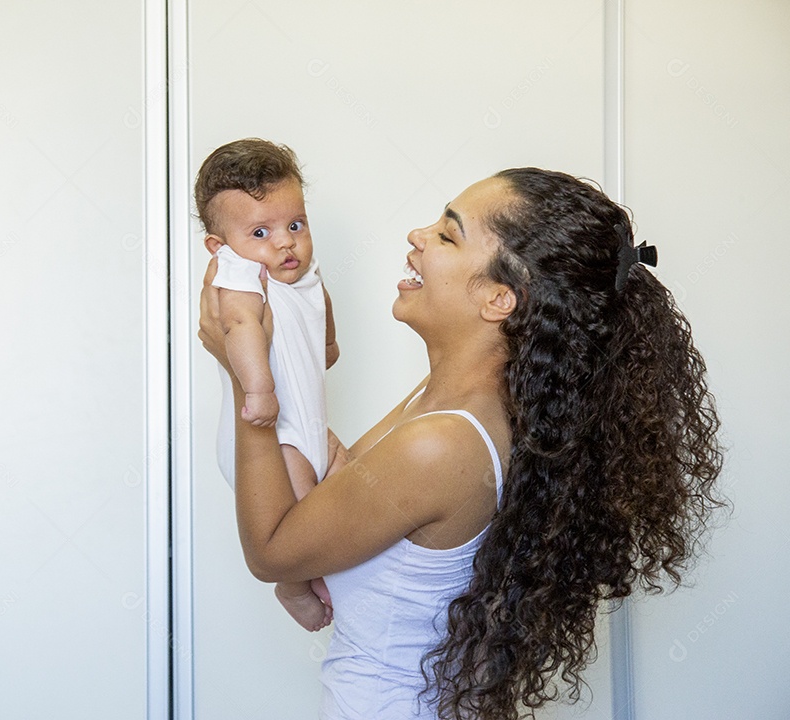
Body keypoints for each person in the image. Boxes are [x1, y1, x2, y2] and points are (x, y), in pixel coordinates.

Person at [198, 167, 724, 719]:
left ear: (499, 298)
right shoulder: (450, 401)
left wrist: (243, 374)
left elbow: (272, 552)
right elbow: (343, 500)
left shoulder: (442, 442)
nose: (417, 236)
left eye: (448, 235)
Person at [195, 138, 340, 632]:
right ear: (220, 247)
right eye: (261, 232)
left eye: (295, 225)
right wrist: (258, 391)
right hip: (269, 434)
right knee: (301, 521)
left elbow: (321, 301)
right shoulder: (240, 274)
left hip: (308, 429)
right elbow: (239, 327)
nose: (284, 243)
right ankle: (294, 587)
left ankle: (329, 572)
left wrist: (328, 344)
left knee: (350, 485)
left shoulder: (301, 268)